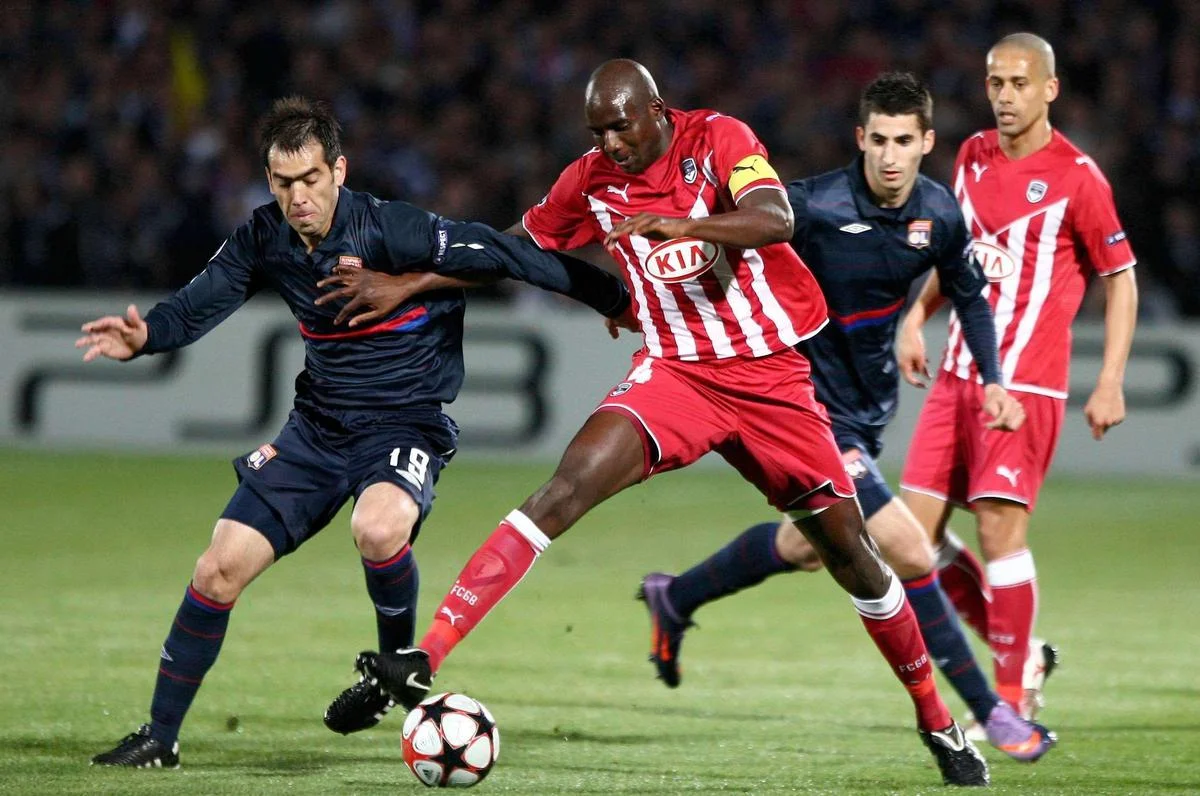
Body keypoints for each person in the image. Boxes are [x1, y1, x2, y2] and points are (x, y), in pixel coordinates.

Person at [334, 60, 989, 787]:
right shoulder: (589, 179)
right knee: (560, 492)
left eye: (620, 127)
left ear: (657, 110)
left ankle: (938, 721)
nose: (610, 144)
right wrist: (412, 282)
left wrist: (684, 223)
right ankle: (424, 655)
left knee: (854, 557)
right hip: (677, 375)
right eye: (598, 132)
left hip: (772, 378)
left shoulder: (717, 138)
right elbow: (515, 250)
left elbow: (776, 217)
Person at [78, 96, 633, 768]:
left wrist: (616, 299)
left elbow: (504, 253)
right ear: (269, 181)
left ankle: (396, 667)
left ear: (338, 171)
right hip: (316, 430)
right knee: (217, 569)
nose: (299, 197)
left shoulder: (391, 229)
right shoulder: (263, 236)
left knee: (377, 527)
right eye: (284, 183)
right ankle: (159, 737)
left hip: (405, 423)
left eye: (311, 179)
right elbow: (199, 304)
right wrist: (146, 337)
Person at [631, 72, 1053, 762]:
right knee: (909, 549)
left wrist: (995, 380)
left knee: (809, 547)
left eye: (903, 142)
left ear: (926, 143)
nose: (889, 156)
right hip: (807, 410)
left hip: (868, 408)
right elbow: (720, 231)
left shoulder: (939, 214)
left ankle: (675, 597)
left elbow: (971, 294)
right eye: (878, 140)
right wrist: (646, 300)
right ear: (861, 138)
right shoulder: (812, 206)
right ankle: (992, 714)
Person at [896, 33, 1138, 732]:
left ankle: (1010, 701)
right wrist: (916, 316)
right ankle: (1023, 654)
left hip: (1025, 385)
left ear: (1050, 90)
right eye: (996, 83)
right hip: (956, 376)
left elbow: (1121, 280)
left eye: (1020, 84)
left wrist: (1110, 380)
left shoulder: (1079, 177)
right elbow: (960, 256)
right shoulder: (971, 154)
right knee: (909, 543)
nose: (1005, 96)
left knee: (1000, 534)